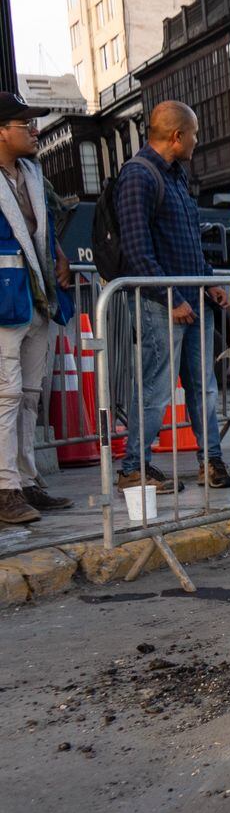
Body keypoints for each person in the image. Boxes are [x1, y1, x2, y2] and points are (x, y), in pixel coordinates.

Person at [113, 100, 230, 495]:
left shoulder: (177, 176)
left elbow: (189, 246)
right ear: (177, 136)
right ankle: (134, 467)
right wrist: (172, 299)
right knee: (155, 389)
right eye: (194, 134)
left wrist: (209, 281)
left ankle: (210, 462)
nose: (197, 141)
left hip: (193, 301)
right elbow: (137, 251)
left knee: (205, 388)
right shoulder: (138, 176)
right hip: (161, 308)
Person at [0, 92, 77, 523]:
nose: (34, 131)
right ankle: (5, 486)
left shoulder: (31, 173)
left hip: (37, 297)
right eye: (23, 125)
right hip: (5, 301)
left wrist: (59, 255)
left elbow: (41, 226)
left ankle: (26, 481)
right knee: (7, 395)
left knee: (29, 395)